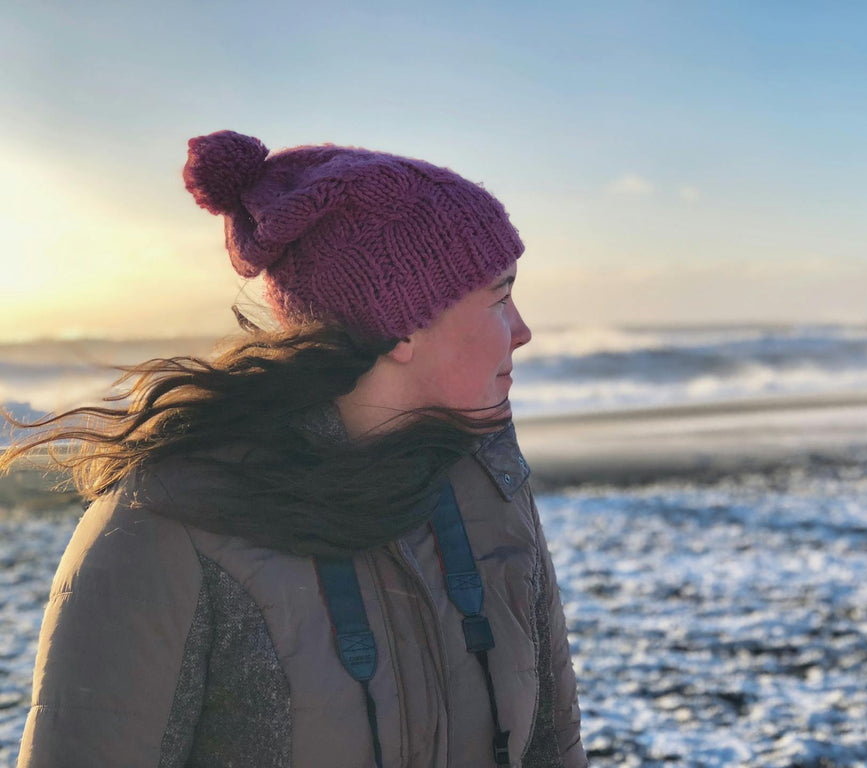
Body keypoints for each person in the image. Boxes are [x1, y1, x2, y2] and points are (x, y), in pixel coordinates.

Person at [8, 131, 587, 767]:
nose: (524, 330)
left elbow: (552, 748)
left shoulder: (488, 482)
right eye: (501, 296)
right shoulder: (163, 529)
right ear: (400, 325)